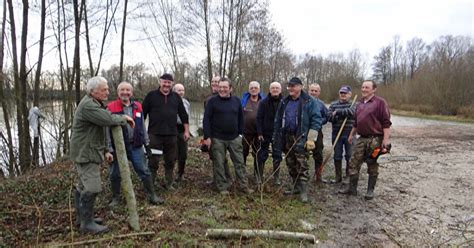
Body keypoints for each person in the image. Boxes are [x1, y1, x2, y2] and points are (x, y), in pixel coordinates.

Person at [70, 76, 135, 234]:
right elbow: (107, 119)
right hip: (85, 153)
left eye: (107, 88)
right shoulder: (88, 106)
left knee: (83, 185)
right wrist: (124, 118)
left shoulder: (95, 103)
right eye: (104, 89)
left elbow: (99, 129)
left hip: (89, 150)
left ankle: (83, 218)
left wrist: (106, 150)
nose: (108, 91)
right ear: (93, 91)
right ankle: (87, 224)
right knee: (92, 187)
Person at [107, 82, 163, 207]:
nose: (125, 92)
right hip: (118, 147)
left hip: (135, 145)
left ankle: (152, 195)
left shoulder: (137, 106)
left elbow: (142, 126)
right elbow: (106, 130)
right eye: (122, 90)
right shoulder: (111, 107)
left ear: (131, 93)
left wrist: (146, 144)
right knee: (115, 173)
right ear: (118, 92)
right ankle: (116, 198)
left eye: (128, 90)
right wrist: (109, 148)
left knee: (144, 170)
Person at [339, 80, 391, 200]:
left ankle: (370, 191)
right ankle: (352, 189)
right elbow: (356, 123)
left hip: (375, 139)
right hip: (361, 138)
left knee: (372, 163)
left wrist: (385, 140)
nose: (364, 89)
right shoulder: (360, 103)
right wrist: (351, 135)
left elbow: (386, 123)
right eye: (362, 87)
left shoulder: (380, 103)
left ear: (374, 89)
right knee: (353, 162)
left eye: (367, 87)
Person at [273, 77, 322, 203]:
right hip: (287, 137)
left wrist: (311, 138)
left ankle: (304, 191)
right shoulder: (284, 101)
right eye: (289, 86)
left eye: (293, 86)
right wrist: (277, 135)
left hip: (301, 137)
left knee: (302, 164)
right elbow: (278, 119)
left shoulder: (309, 102)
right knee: (290, 163)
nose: (290, 88)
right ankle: (296, 187)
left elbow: (316, 120)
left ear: (300, 87)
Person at [203, 77, 254, 195]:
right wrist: (207, 137)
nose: (222, 89)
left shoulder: (236, 101)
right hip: (217, 138)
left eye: (225, 87)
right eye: (220, 87)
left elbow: (241, 118)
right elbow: (206, 120)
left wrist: (240, 134)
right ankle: (222, 187)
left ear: (230, 88)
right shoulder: (212, 101)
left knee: (239, 163)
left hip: (234, 138)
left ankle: (243, 186)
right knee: (219, 163)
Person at [143, 73, 190, 190]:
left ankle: (169, 183)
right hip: (154, 135)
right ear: (160, 82)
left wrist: (187, 131)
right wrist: (140, 131)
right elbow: (142, 114)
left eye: (169, 82)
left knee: (170, 160)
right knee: (153, 161)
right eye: (164, 82)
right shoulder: (151, 96)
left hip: (171, 135)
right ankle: (151, 184)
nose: (166, 84)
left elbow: (184, 116)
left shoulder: (176, 97)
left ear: (172, 84)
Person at [203, 75, 232, 184]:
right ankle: (217, 179)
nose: (214, 83)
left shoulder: (226, 97)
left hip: (222, 134)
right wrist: (206, 136)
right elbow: (206, 118)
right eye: (213, 82)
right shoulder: (208, 99)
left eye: (217, 82)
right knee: (214, 157)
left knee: (221, 158)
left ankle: (227, 178)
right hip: (211, 133)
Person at [256, 82, 283, 186]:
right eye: (273, 88)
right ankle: (260, 176)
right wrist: (259, 132)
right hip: (265, 133)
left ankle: (276, 177)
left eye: (277, 88)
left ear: (280, 90)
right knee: (262, 154)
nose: (275, 89)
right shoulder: (263, 102)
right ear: (270, 90)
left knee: (277, 155)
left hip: (278, 133)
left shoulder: (284, 102)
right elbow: (259, 118)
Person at [327, 85, 356, 183]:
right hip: (336, 134)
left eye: (345, 93)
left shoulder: (353, 104)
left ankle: (348, 176)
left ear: (350, 94)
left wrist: (338, 112)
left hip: (349, 134)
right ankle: (338, 177)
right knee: (337, 155)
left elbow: (352, 112)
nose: (343, 95)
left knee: (349, 155)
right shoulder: (333, 104)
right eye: (341, 93)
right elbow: (329, 116)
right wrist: (334, 116)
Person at [241, 81, 264, 183]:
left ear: (259, 90)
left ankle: (257, 175)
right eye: (252, 88)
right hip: (245, 132)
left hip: (259, 133)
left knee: (258, 154)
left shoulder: (263, 101)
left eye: (255, 88)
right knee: (243, 153)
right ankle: (242, 174)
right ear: (249, 89)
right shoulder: (244, 101)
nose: (254, 89)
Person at [308, 83, 328, 183]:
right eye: (312, 90)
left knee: (318, 153)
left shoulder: (321, 104)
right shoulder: (303, 102)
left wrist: (319, 122)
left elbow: (326, 116)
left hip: (317, 131)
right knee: (302, 153)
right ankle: (302, 177)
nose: (313, 92)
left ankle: (318, 176)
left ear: (319, 92)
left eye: (316, 91)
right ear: (308, 91)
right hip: (304, 131)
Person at [173, 83, 190, 182]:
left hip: (183, 130)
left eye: (182, 90)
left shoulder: (186, 103)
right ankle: (171, 175)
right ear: (174, 91)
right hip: (173, 129)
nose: (181, 92)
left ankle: (181, 174)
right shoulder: (170, 101)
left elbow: (187, 118)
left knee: (183, 154)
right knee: (173, 154)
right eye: (178, 90)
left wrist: (187, 131)